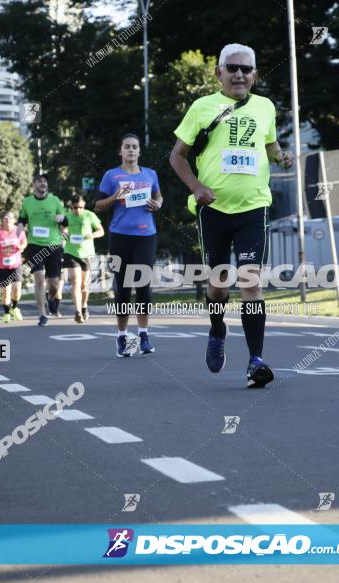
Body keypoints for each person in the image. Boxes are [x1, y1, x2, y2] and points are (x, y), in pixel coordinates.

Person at [169, 43, 295, 388]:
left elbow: (269, 145)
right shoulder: (203, 107)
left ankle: (256, 360)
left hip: (254, 206)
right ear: (219, 72)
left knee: (251, 282)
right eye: (232, 68)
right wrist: (196, 188)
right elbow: (177, 156)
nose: (239, 74)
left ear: (254, 74)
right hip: (214, 211)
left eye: (246, 69)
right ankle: (217, 328)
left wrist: (281, 157)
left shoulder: (266, 107)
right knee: (218, 285)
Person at [95, 133, 164, 357]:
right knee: (123, 288)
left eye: (135, 147)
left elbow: (158, 196)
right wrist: (116, 196)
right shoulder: (111, 175)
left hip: (146, 235)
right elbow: (98, 206)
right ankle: (122, 336)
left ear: (139, 151)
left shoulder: (150, 174)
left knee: (143, 285)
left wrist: (157, 204)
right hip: (120, 235)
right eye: (127, 147)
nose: (131, 150)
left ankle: (143, 334)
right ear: (121, 151)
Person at [18, 174, 68, 326]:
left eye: (45, 181)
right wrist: (19, 228)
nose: (43, 183)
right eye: (40, 181)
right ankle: (42, 314)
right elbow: (22, 219)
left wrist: (62, 219)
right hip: (34, 244)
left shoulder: (55, 200)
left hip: (53, 245)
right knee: (39, 278)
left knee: (54, 283)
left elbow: (66, 220)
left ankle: (51, 297)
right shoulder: (27, 202)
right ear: (34, 184)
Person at [63, 195, 104, 323]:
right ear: (71, 207)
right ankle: (78, 312)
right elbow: (62, 230)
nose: (79, 210)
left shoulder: (89, 215)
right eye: (76, 208)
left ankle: (84, 305)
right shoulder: (67, 216)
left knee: (84, 286)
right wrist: (65, 234)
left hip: (86, 254)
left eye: (81, 207)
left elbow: (101, 231)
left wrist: (92, 235)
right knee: (75, 281)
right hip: (71, 252)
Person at [0, 211, 27, 323]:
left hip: (16, 264)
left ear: (14, 220)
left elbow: (24, 243)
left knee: (17, 289)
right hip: (1, 265)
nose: (8, 220)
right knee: (5, 291)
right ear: (2, 220)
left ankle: (14, 307)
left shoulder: (18, 231)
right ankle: (6, 313)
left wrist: (21, 246)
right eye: (6, 218)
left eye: (10, 218)